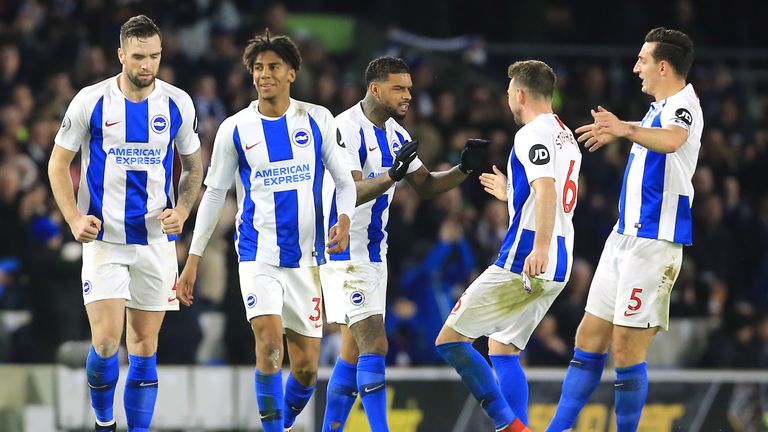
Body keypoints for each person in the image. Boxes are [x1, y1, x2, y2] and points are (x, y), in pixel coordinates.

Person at [176, 31, 356, 432]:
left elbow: (344, 182)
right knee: (270, 346)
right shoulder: (235, 129)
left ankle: (284, 419)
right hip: (258, 256)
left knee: (307, 369)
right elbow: (214, 195)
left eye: (273, 66)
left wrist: (343, 219)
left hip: (307, 262)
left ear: (291, 73)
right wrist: (193, 259)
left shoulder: (318, 119)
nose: (263, 74)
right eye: (257, 68)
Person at [47, 15, 203, 432]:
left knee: (144, 347)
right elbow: (58, 165)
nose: (146, 65)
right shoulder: (91, 101)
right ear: (121, 55)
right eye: (138, 57)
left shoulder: (177, 103)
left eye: (154, 56)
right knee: (104, 342)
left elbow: (193, 167)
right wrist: (74, 218)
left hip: (155, 243)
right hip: (106, 241)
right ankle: (104, 422)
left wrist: (184, 211)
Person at [318, 56, 489, 432]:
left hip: (375, 254)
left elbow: (425, 185)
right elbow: (351, 189)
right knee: (375, 345)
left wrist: (464, 169)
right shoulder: (343, 128)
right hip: (342, 249)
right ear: (375, 89)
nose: (408, 95)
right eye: (399, 88)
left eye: (410, 88)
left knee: (352, 354)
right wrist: (392, 175)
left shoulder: (396, 134)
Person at [546, 27, 701, 432]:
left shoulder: (683, 105)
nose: (636, 69)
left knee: (625, 351)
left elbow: (673, 139)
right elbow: (658, 131)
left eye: (642, 60)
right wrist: (622, 126)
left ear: (663, 66)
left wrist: (625, 130)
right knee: (588, 339)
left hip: (654, 243)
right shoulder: (658, 108)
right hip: (623, 238)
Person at [435, 59, 582, 432]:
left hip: (528, 256)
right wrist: (511, 194)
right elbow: (544, 193)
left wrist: (540, 248)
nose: (508, 102)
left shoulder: (530, 133)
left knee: (450, 340)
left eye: (507, 94)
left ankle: (510, 427)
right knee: (502, 349)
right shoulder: (565, 136)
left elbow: (547, 192)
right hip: (560, 261)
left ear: (519, 94)